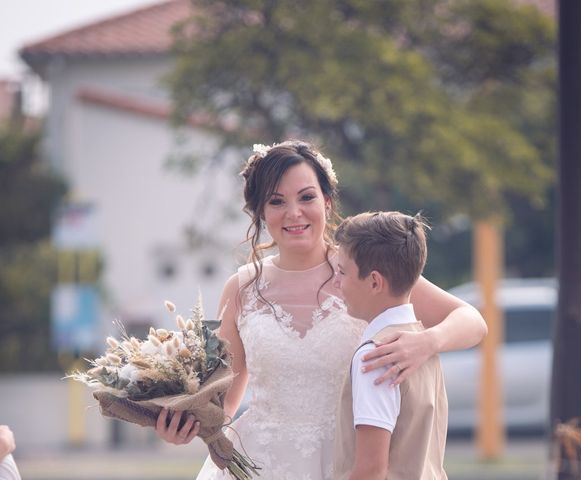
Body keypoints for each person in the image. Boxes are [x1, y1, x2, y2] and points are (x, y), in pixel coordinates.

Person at [156, 140, 486, 479]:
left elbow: (472, 321)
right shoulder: (240, 288)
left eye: (307, 197)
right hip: (262, 463)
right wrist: (187, 423)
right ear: (261, 211)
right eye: (277, 201)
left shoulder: (367, 272)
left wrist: (428, 342)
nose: (294, 212)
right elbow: (224, 401)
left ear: (327, 201)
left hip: (351, 457)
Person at [332, 211, 447, 480]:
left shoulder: (378, 356)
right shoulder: (420, 344)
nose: (336, 282)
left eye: (342, 272)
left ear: (374, 282)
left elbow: (371, 470)